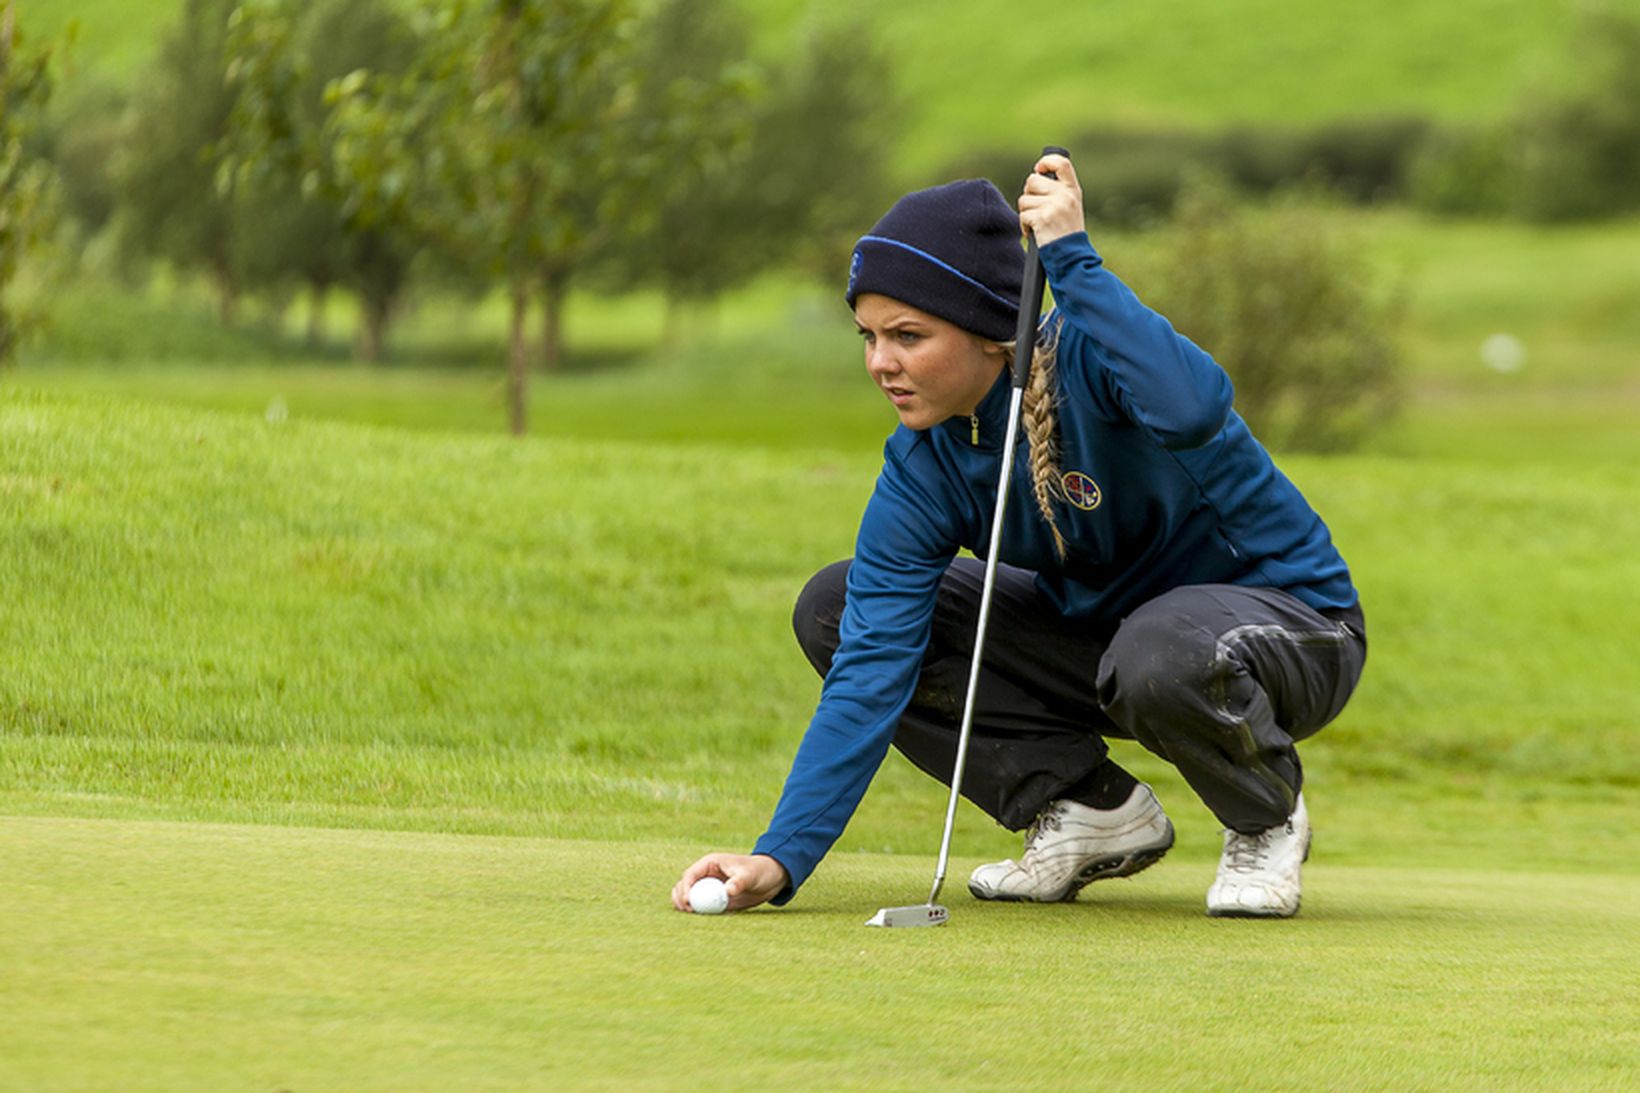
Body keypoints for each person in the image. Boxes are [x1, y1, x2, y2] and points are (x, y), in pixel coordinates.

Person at [670, 153, 1367, 920]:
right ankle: (1087, 807)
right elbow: (872, 663)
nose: (881, 362)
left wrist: (1073, 259)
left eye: (907, 334)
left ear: (992, 333)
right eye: (868, 336)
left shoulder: (1095, 356)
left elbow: (1196, 407)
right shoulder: (925, 462)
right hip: (1113, 645)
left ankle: (1266, 817)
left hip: (1295, 630)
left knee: (1159, 645)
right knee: (835, 607)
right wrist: (780, 853)